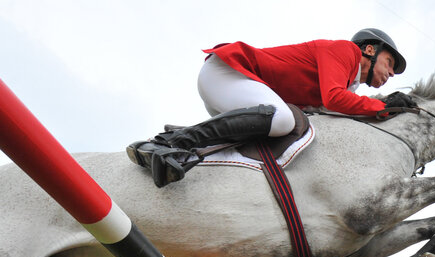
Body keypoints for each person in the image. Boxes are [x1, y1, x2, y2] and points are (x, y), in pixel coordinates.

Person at [127, 28, 417, 187]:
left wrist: (383, 111)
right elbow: (333, 99)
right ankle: (168, 143)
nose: (391, 73)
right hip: (228, 71)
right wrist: (381, 105)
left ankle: (188, 154)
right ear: (369, 49)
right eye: (390, 63)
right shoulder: (344, 51)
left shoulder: (349, 84)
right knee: (282, 120)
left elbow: (336, 114)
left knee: (272, 137)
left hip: (237, 90)